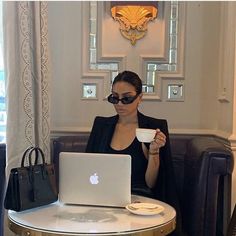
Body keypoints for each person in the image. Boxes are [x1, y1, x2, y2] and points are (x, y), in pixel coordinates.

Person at [86, 70, 183, 235]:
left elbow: (152, 184)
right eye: (114, 98)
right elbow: (88, 169)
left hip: (140, 204)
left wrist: (154, 152)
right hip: (104, 202)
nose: (120, 104)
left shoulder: (153, 128)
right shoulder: (101, 126)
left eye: (127, 98)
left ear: (140, 97)